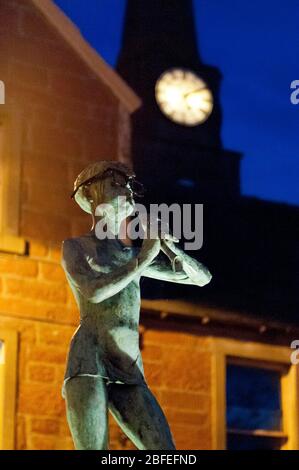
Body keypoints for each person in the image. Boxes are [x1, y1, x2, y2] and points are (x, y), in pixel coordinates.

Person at [61, 160, 212, 450]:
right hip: (89, 361)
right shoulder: (76, 247)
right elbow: (93, 292)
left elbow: (202, 279)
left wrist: (169, 248)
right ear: (92, 195)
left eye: (129, 184)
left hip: (128, 365)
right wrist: (143, 258)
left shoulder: (132, 254)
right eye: (116, 184)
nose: (127, 190)